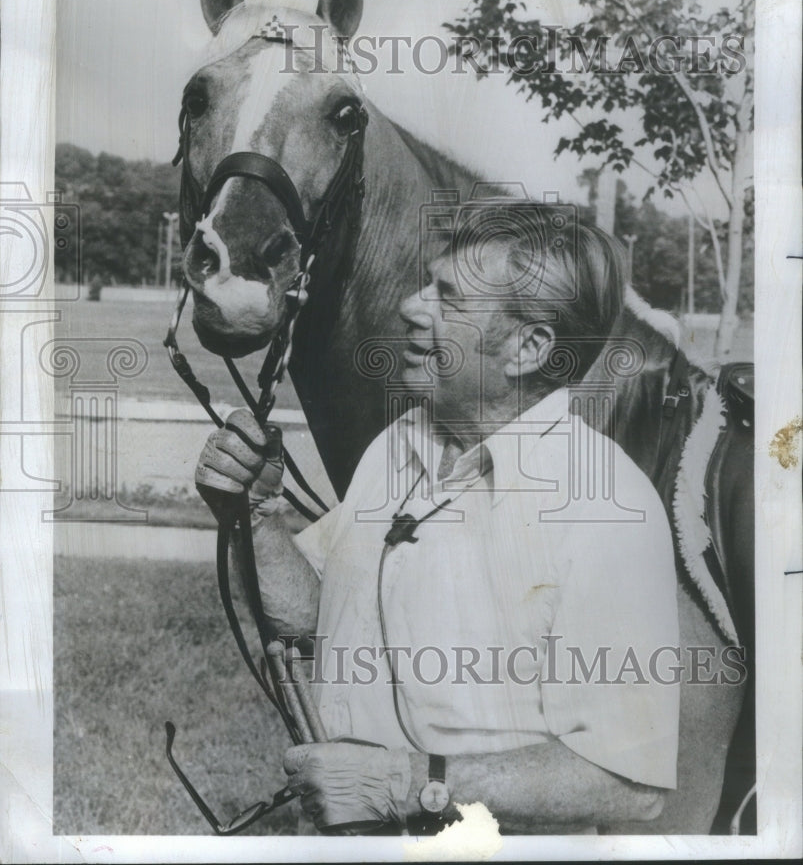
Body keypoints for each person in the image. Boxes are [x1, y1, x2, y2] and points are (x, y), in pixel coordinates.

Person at [195, 205, 680, 835]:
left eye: (447, 298)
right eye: (429, 283)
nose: (411, 308)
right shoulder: (397, 446)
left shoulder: (606, 507)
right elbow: (317, 621)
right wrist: (254, 514)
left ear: (527, 348)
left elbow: (628, 783)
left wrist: (403, 784)